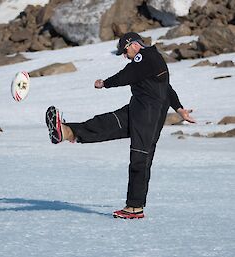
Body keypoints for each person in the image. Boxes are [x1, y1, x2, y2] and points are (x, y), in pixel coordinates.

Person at [45, 32, 195, 219]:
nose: (125, 56)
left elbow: (127, 75)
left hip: (148, 118)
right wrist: (179, 108)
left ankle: (135, 207)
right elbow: (167, 87)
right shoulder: (152, 60)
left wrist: (105, 83)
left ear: (133, 45)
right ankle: (67, 132)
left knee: (140, 160)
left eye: (125, 52)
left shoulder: (145, 56)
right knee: (104, 123)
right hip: (137, 110)